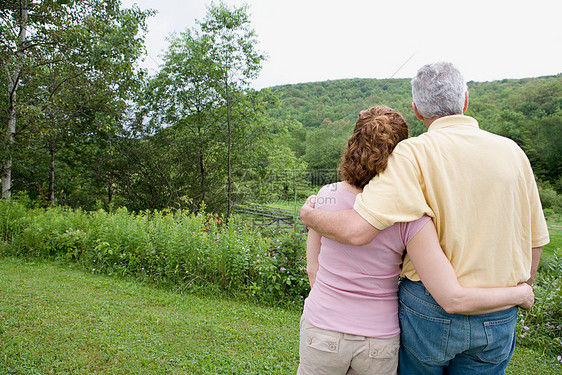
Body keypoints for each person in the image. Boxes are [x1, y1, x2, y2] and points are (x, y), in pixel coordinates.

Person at [298, 105, 535, 375]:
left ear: (353, 144)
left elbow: (312, 268)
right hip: (378, 337)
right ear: (399, 153)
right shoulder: (411, 215)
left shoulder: (324, 197)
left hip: (322, 326)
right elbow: (441, 285)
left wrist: (328, 307)